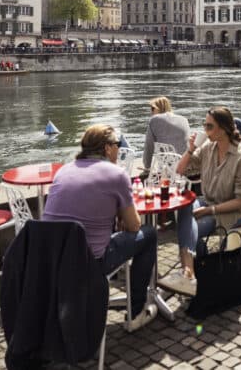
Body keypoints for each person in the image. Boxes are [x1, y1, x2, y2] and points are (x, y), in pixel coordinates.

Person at [43, 124, 157, 331]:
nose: (119, 149)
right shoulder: (116, 174)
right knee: (149, 235)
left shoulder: (64, 171)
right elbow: (134, 225)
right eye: (117, 144)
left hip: (53, 262)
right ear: (106, 148)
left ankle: (107, 284)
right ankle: (136, 311)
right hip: (90, 263)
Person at [167, 107, 241, 294]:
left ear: (223, 129)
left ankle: (192, 273)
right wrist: (191, 150)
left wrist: (210, 211)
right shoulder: (208, 147)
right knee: (184, 209)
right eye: (204, 125)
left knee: (193, 226)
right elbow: (180, 170)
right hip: (209, 200)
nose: (204, 130)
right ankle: (193, 271)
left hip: (234, 210)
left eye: (209, 126)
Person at [143, 96, 191, 171]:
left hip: (168, 169)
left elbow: (149, 146)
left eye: (152, 108)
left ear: (159, 108)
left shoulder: (155, 120)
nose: (151, 112)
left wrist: (147, 166)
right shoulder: (184, 119)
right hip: (186, 165)